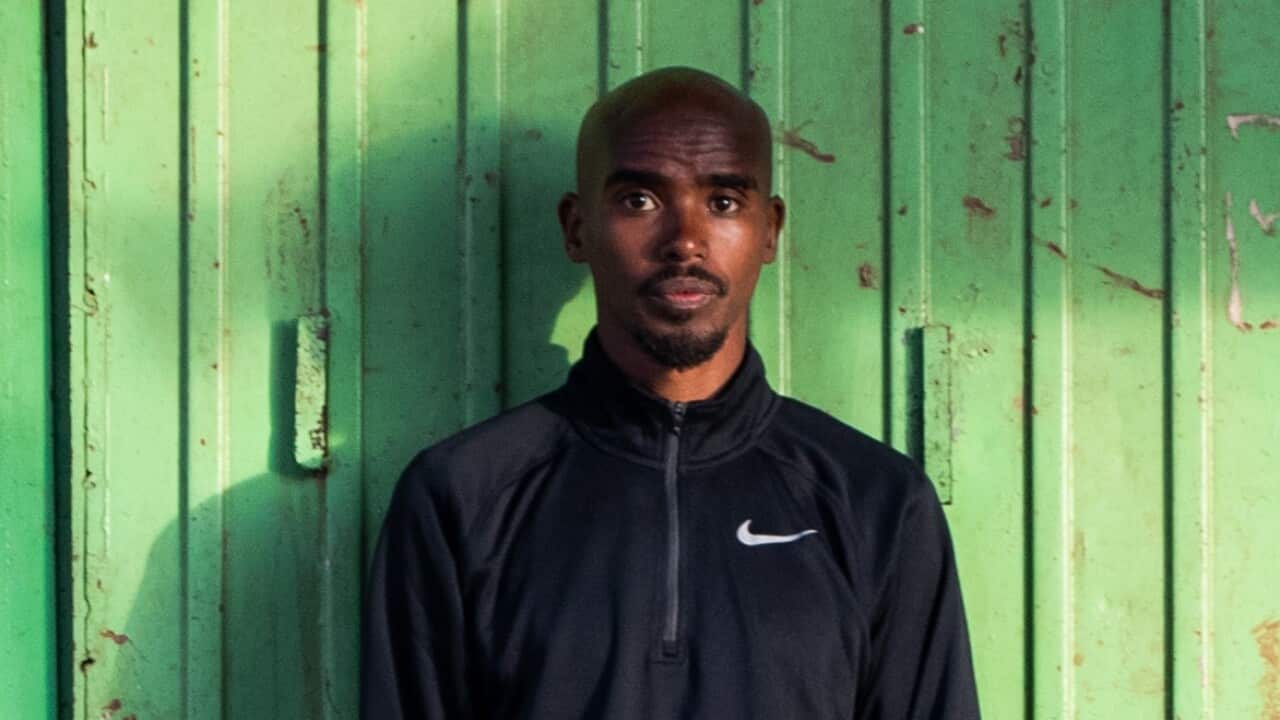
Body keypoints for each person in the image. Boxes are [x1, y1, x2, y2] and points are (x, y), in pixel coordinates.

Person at [361, 66, 980, 719]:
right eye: (639, 200)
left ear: (768, 230)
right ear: (577, 228)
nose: (685, 241)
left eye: (723, 202)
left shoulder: (876, 502)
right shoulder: (461, 498)